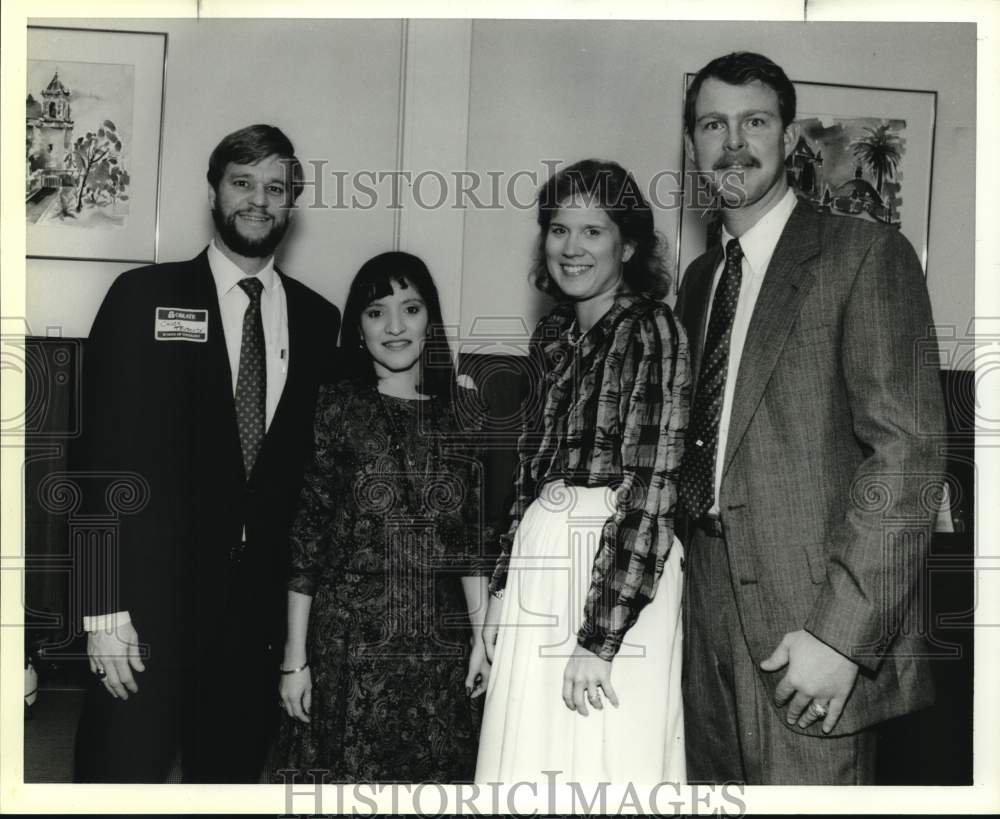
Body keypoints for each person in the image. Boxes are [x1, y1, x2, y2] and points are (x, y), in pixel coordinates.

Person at [676, 52, 946, 784]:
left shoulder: (865, 255)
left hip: (813, 631)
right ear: (693, 146)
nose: (733, 142)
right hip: (702, 631)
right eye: (712, 124)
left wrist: (841, 638)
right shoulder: (699, 281)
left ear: (790, 137)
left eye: (755, 121)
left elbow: (909, 459)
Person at [73, 124, 341, 783]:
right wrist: (101, 606)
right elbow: (93, 460)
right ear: (215, 193)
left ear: (292, 202)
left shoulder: (319, 321)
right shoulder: (142, 299)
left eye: (275, 188)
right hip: (144, 613)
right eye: (242, 183)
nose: (259, 200)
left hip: (253, 624)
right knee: (117, 781)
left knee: (226, 785)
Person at [476, 159, 690, 784]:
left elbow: (652, 489)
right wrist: (497, 592)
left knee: (606, 762)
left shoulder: (653, 330)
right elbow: (528, 476)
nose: (572, 248)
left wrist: (600, 637)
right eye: (559, 229)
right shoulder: (551, 336)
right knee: (532, 757)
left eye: (592, 232)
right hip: (538, 563)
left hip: (617, 570)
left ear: (628, 245)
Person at [273, 251, 491, 783]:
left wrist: (484, 639)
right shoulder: (335, 405)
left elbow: (466, 540)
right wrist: (294, 659)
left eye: (410, 308)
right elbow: (308, 538)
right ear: (359, 327)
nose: (395, 327)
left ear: (430, 320)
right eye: (376, 312)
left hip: (435, 646)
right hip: (348, 640)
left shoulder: (459, 415)